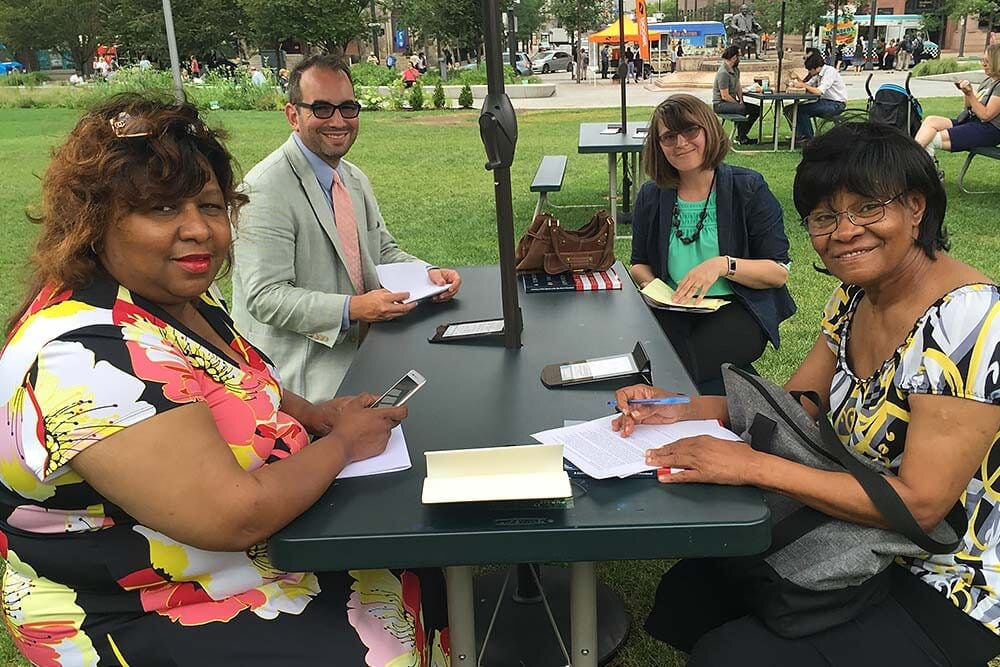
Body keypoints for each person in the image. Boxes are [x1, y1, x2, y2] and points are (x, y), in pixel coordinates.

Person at [0, 93, 450, 666]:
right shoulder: (83, 359)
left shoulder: (175, 300)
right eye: (163, 209)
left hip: (244, 562)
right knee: (377, 646)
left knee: (422, 565)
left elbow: (240, 380)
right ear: (94, 221)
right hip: (145, 603)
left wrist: (316, 415)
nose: (199, 230)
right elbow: (232, 515)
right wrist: (340, 445)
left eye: (210, 207)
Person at [614, 121, 1000, 667]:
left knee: (729, 656)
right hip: (853, 526)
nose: (844, 232)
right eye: (824, 217)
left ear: (916, 208)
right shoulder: (855, 296)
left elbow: (920, 505)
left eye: (867, 208)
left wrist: (752, 467)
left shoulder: (969, 320)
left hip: (946, 575)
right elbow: (794, 408)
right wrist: (681, 408)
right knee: (689, 595)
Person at [231, 55, 461, 401]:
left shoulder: (352, 178)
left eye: (347, 108)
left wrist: (428, 273)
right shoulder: (264, 189)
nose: (338, 121)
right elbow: (265, 297)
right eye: (322, 108)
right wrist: (353, 308)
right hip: (302, 380)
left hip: (371, 347)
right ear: (293, 115)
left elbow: (382, 250)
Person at [630, 94, 794, 389]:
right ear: (659, 145)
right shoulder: (651, 195)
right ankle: (740, 399)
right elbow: (639, 264)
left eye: (690, 130)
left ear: (709, 130)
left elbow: (777, 272)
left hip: (736, 307)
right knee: (652, 356)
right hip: (672, 308)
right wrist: (658, 291)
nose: (681, 143)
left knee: (675, 366)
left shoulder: (748, 187)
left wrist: (721, 265)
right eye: (669, 137)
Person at [914, 44, 1000, 178]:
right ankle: (912, 163)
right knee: (931, 121)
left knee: (930, 139)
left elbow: (985, 115)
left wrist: (971, 94)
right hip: (973, 122)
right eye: (982, 60)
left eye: (987, 61)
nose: (983, 64)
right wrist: (967, 92)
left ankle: (922, 174)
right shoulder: (988, 81)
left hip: (989, 130)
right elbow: (969, 108)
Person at [785, 51, 848, 145]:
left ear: (817, 67)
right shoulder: (818, 74)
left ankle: (809, 138)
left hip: (836, 104)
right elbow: (807, 85)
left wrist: (803, 85)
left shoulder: (830, 72)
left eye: (810, 70)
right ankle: (799, 135)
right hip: (824, 101)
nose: (809, 72)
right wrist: (796, 81)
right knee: (790, 109)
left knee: (801, 110)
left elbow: (819, 91)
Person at [712, 45, 761, 146]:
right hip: (720, 104)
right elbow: (724, 96)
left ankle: (742, 135)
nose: (740, 59)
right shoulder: (723, 73)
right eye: (739, 56)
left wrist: (741, 100)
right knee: (741, 109)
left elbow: (738, 86)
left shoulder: (735, 70)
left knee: (756, 109)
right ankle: (742, 138)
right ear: (734, 57)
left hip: (730, 102)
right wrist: (738, 104)